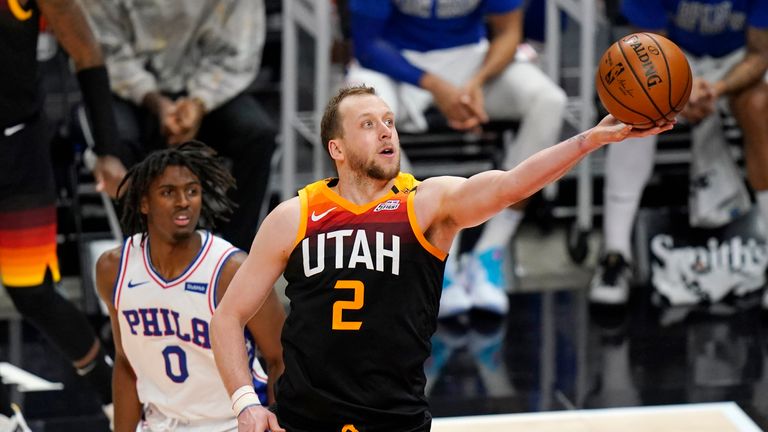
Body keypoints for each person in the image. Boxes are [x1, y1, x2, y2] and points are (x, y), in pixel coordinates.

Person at [209, 85, 672, 432]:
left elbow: (511, 185)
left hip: (394, 417)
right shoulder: (294, 215)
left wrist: (588, 140)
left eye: (388, 121)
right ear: (337, 149)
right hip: (305, 419)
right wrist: (245, 402)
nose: (385, 130)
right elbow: (228, 316)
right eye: (368, 124)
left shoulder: (426, 204)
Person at [344, 0, 568, 317]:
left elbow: (508, 32)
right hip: (393, 61)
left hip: (472, 60)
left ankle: (490, 253)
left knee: (549, 101)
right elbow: (367, 45)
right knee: (360, 116)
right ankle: (433, 256)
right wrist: (437, 87)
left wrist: (476, 83)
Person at [95, 142, 285, 431]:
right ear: (144, 203)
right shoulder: (114, 269)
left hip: (233, 424)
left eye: (192, 191)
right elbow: (125, 363)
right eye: (168, 192)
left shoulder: (230, 269)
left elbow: (279, 358)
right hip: (160, 424)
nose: (183, 201)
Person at [589, 0, 768, 306]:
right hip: (670, 57)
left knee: (759, 108)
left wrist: (718, 88)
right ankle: (615, 255)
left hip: (736, 62)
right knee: (635, 105)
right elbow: (644, 51)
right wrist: (679, 94)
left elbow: (760, 53)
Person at [0, 0, 128, 415]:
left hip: (17, 149)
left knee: (33, 291)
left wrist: (107, 149)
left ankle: (115, 399)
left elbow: (87, 52)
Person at [79, 0, 276, 251]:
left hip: (206, 84)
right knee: (116, 142)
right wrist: (157, 102)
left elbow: (237, 48)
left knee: (257, 134)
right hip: (125, 88)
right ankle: (145, 257)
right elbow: (103, 49)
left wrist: (199, 101)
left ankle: (234, 259)